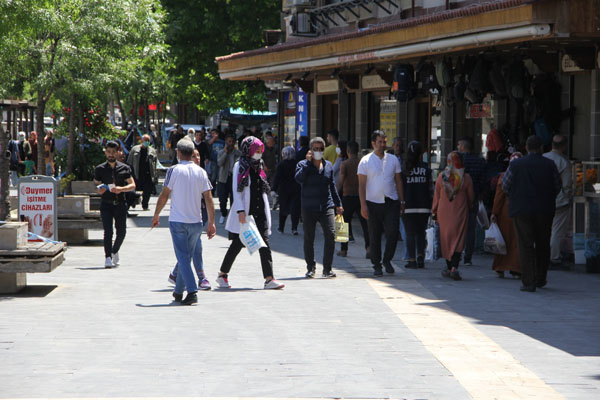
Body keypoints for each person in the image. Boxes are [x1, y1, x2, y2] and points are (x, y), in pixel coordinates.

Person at [153, 139, 217, 305]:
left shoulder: (174, 170)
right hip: (196, 222)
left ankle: (192, 291)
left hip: (178, 221)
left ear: (178, 152)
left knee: (182, 257)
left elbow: (164, 195)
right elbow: (209, 199)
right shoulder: (201, 172)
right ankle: (178, 291)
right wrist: (211, 222)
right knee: (186, 257)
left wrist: (156, 214)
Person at [217, 136, 285, 290]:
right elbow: (237, 190)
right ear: (249, 150)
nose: (260, 153)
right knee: (238, 244)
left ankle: (269, 279)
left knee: (264, 243)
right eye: (257, 150)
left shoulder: (259, 165)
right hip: (246, 212)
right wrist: (240, 211)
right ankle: (222, 274)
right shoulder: (239, 166)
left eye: (261, 150)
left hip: (259, 210)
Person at [502, 135, 561, 292]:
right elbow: (557, 186)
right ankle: (541, 278)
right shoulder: (550, 165)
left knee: (525, 244)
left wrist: (515, 196)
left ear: (526, 148)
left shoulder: (516, 165)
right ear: (541, 148)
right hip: (544, 209)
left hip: (521, 209)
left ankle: (528, 281)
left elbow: (505, 185)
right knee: (543, 243)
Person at [296, 137, 343, 278]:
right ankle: (311, 267)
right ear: (310, 150)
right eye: (315, 149)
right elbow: (299, 179)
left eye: (320, 149)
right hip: (308, 206)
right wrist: (309, 164)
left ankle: (327, 268)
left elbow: (332, 186)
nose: (318, 151)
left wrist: (338, 204)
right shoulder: (303, 164)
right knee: (309, 238)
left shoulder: (328, 165)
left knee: (330, 234)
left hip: (326, 206)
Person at [358, 131, 404, 277]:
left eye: (384, 142)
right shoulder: (365, 161)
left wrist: (402, 201)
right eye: (380, 142)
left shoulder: (393, 159)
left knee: (392, 232)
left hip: (391, 201)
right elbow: (361, 185)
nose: (383, 144)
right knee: (374, 235)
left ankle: (387, 259)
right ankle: (376, 264)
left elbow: (398, 181)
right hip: (372, 203)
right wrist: (363, 205)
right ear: (373, 143)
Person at [167, 148, 212, 290]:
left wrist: (211, 222)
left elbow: (209, 199)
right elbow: (165, 194)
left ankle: (177, 281)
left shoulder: (201, 173)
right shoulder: (178, 172)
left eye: (198, 155)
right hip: (185, 219)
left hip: (198, 217)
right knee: (193, 250)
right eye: (193, 156)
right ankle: (199, 278)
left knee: (186, 253)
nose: (197, 158)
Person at [94, 141, 136, 268]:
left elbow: (132, 185)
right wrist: (99, 189)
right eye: (109, 152)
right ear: (105, 152)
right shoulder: (100, 169)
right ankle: (107, 257)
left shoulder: (124, 168)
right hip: (106, 204)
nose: (111, 154)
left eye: (113, 152)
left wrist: (121, 189)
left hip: (120, 203)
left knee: (122, 232)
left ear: (117, 152)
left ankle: (114, 250)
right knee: (108, 231)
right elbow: (96, 183)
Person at [432, 151, 474, 281]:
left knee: (446, 239)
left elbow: (436, 197)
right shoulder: (465, 178)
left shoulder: (441, 177)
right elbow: (471, 197)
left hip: (443, 212)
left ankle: (449, 267)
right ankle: (454, 267)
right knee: (458, 238)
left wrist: (434, 210)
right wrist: (470, 206)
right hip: (460, 212)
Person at [490, 152, 523, 279]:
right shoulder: (525, 176)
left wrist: (494, 213)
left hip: (505, 212)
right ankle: (516, 269)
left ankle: (500, 267)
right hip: (520, 212)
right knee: (517, 241)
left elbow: (499, 197)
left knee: (503, 240)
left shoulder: (504, 176)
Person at [402, 141, 433, 269]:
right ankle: (421, 257)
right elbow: (430, 188)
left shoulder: (404, 169)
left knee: (410, 233)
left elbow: (401, 187)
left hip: (408, 206)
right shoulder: (426, 168)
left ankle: (412, 260)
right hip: (424, 205)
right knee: (421, 232)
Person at [336, 141, 370, 258]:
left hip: (347, 196)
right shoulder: (363, 162)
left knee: (343, 224)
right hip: (361, 197)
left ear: (348, 151)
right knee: (365, 224)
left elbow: (341, 180)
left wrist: (335, 193)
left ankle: (344, 250)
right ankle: (368, 248)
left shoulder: (345, 164)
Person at [543, 135, 573, 266]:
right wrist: (568, 197)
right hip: (559, 201)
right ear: (564, 146)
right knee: (556, 230)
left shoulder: (543, 158)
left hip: (541, 200)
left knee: (544, 229)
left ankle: (542, 255)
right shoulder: (563, 162)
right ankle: (554, 257)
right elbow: (567, 185)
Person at [457, 137, 486, 266]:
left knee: (458, 227)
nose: (457, 148)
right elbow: (483, 180)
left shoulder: (460, 161)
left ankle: (456, 253)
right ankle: (468, 256)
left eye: (458, 145)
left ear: (463, 147)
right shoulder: (480, 161)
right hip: (474, 196)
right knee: (470, 228)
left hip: (460, 198)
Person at [273, 146, 301, 234]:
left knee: (283, 208)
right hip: (296, 189)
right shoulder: (297, 164)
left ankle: (281, 228)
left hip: (284, 189)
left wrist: (274, 188)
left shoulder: (281, 164)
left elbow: (277, 177)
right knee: (295, 209)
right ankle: (294, 228)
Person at [127, 134, 157, 210]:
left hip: (148, 174)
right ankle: (132, 202)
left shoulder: (152, 151)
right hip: (137, 173)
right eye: (145, 140)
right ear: (141, 140)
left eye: (148, 141)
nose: (146, 142)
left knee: (147, 191)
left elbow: (155, 163)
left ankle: (145, 205)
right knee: (133, 190)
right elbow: (129, 162)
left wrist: (155, 175)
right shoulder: (134, 149)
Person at [217, 133, 241, 224]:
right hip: (223, 179)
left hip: (234, 178)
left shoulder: (238, 154)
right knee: (222, 199)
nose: (230, 144)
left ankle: (231, 216)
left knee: (233, 199)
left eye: (232, 142)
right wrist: (226, 153)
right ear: (226, 142)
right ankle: (223, 214)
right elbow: (219, 163)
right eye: (229, 142)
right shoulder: (221, 153)